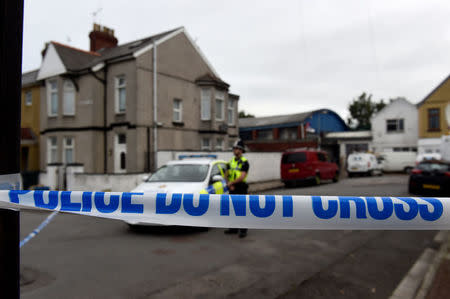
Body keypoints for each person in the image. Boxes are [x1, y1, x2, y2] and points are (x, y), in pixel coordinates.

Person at [224, 139, 249, 238]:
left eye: (236, 149)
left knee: (241, 210)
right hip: (232, 187)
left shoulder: (244, 162)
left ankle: (243, 230)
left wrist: (231, 183)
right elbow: (226, 174)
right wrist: (229, 184)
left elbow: (242, 176)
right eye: (234, 148)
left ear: (241, 150)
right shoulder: (230, 162)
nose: (234, 150)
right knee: (232, 209)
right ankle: (233, 228)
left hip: (241, 187)